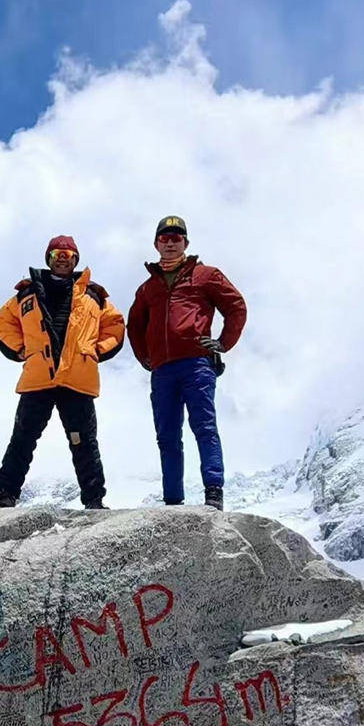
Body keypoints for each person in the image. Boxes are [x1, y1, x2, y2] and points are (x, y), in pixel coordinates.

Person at [0, 235, 124, 512]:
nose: (62, 259)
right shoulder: (25, 294)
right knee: (23, 438)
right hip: (38, 378)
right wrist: (19, 349)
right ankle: (6, 496)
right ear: (48, 259)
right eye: (56, 255)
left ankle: (94, 501)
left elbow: (115, 325)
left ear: (76, 259)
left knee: (83, 442)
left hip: (77, 379)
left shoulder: (94, 295)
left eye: (68, 255)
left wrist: (96, 350)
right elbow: (4, 322)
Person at [127, 216, 247, 510]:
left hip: (197, 364)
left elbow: (236, 306)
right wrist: (145, 356)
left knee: (204, 427)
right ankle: (173, 501)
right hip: (162, 371)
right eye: (164, 238)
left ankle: (213, 493)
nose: (170, 243)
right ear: (156, 244)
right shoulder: (147, 289)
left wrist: (223, 343)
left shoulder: (206, 275)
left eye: (176, 238)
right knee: (167, 435)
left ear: (186, 243)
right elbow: (134, 325)